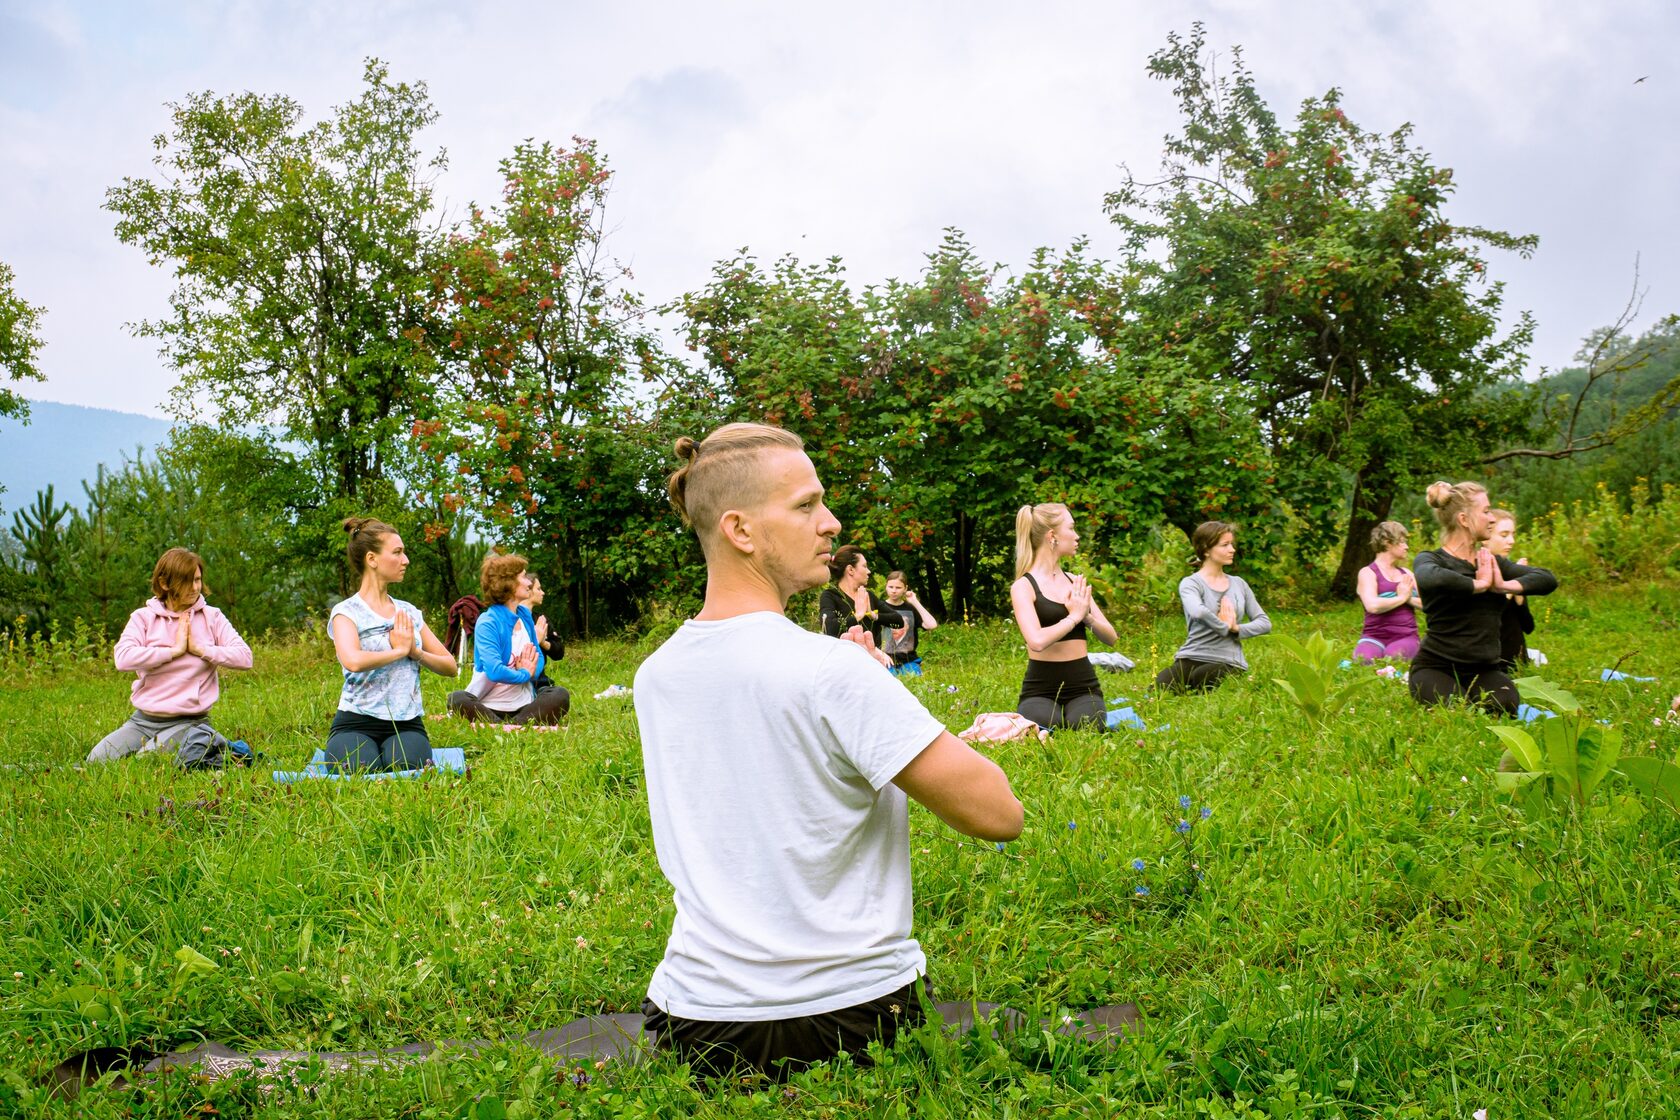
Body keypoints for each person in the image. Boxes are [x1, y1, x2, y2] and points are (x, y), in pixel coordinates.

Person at [634, 422, 1022, 1080]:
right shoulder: (830, 671)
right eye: (806, 505)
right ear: (741, 530)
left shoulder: (657, 672)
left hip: (690, 1021)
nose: (831, 523)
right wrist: (886, 697)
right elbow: (998, 814)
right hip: (843, 1020)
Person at [88, 548, 253, 763]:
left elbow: (245, 657)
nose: (195, 588)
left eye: (198, 580)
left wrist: (200, 649)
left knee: (145, 762)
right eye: (187, 581)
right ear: (165, 584)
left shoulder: (212, 617)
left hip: (191, 723)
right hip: (142, 721)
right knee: (95, 761)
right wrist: (173, 651)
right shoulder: (143, 618)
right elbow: (123, 658)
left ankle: (208, 740)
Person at [1409, 482, 1557, 714]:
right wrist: (1478, 585)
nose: (1491, 519)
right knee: (1455, 710)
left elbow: (1547, 579)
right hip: (1436, 667)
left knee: (1506, 704)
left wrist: (1502, 585)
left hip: (1484, 670)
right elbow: (1430, 578)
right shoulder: (1431, 559)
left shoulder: (1492, 563)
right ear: (1464, 519)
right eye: (1486, 511)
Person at [326, 517, 457, 771]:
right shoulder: (346, 612)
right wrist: (398, 651)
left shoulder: (409, 612)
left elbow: (450, 666)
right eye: (397, 552)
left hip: (406, 723)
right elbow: (352, 660)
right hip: (355, 722)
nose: (405, 560)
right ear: (372, 559)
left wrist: (415, 652)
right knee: (360, 767)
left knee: (405, 765)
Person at [1009, 503, 1119, 729]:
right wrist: (1072, 618)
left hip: (1083, 686)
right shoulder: (1024, 586)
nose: (1077, 536)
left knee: (1085, 726)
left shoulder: (1074, 581)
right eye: (1071, 528)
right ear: (1052, 536)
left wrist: (1086, 616)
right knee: (1049, 726)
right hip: (1040, 689)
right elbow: (1036, 641)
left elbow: (1111, 638)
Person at [447, 553, 570, 725]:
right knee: (457, 699)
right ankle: (514, 725)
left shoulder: (525, 616)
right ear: (509, 583)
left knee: (560, 695)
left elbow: (539, 659)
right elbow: (495, 671)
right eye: (523, 577)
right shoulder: (488, 622)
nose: (529, 582)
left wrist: (531, 669)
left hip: (524, 705)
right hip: (489, 706)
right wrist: (524, 673)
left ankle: (507, 726)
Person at [1155, 521, 1271, 692]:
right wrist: (1224, 626)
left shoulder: (1239, 584)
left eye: (1231, 544)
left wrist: (1235, 629)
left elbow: (1265, 623)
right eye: (1225, 545)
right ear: (1206, 549)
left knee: (1203, 677)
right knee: (1161, 685)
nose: (1232, 549)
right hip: (1192, 655)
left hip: (1227, 660)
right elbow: (1198, 612)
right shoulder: (1191, 583)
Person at [1353, 520, 1423, 663]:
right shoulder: (1367, 573)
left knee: (1394, 658)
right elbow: (1372, 606)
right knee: (1363, 660)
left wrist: (1408, 598)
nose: (1407, 546)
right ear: (1387, 542)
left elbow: (1426, 604)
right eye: (1402, 542)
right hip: (1373, 637)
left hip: (1406, 636)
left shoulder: (1407, 573)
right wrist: (1402, 597)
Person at [819, 545, 904, 652]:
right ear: (850, 570)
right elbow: (828, 628)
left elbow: (899, 620)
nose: (868, 571)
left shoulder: (868, 595)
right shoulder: (830, 596)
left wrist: (873, 615)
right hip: (845, 659)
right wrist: (858, 615)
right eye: (864, 566)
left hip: (874, 659)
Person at [1485, 508, 1534, 672]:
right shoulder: (1478, 573)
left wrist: (1520, 599)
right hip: (1491, 664)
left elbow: (1528, 626)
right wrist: (1511, 588)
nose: (1511, 541)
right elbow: (1488, 622)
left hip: (1518, 663)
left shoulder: (1512, 571)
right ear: (1485, 537)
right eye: (1504, 535)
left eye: (1513, 534)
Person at [881, 571, 938, 675]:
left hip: (909, 660)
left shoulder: (910, 608)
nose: (894, 591)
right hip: (885, 659)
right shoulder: (880, 607)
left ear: (905, 589)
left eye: (898, 588)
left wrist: (914, 601)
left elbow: (931, 625)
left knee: (913, 683)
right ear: (886, 587)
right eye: (891, 587)